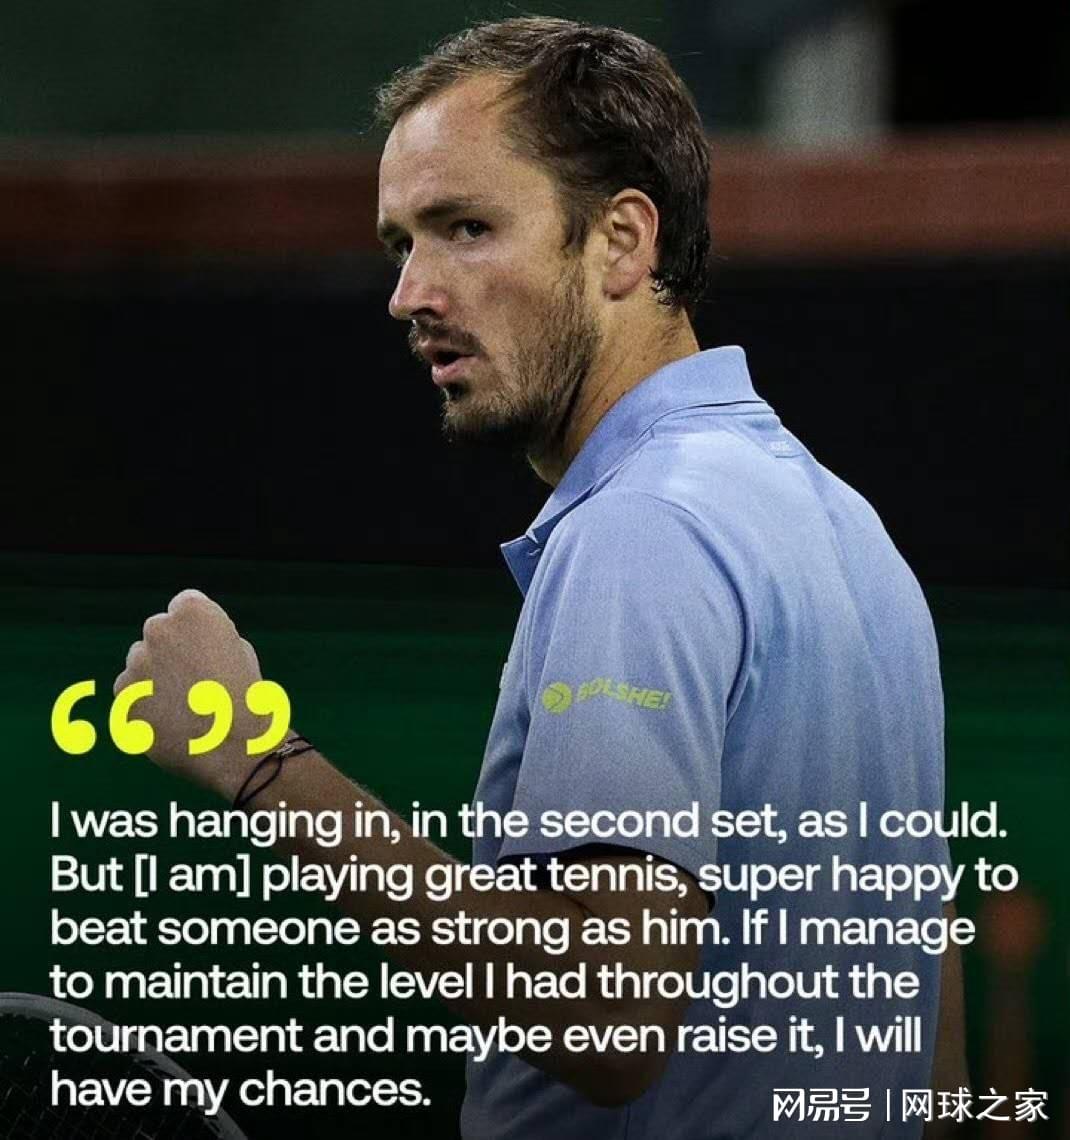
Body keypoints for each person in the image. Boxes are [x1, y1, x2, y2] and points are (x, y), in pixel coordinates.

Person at [116, 17, 966, 1138]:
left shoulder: (641, 530)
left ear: (621, 242)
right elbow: (933, 1033)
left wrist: (255, 760)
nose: (409, 293)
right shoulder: (850, 531)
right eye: (400, 244)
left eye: (465, 228)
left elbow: (608, 1018)